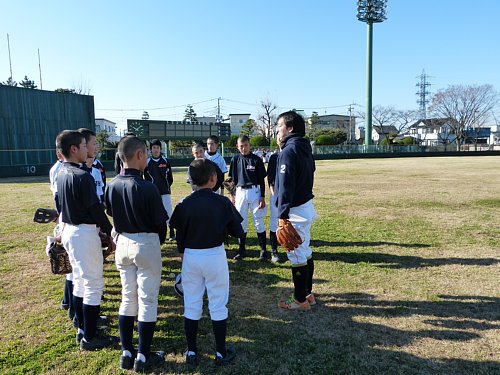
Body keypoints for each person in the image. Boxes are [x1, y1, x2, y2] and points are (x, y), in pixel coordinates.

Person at [169, 158, 244, 366]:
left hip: (191, 256)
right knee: (218, 303)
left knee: (191, 303)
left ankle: (191, 351)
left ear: (191, 180)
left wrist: (182, 252)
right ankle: (220, 352)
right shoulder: (221, 202)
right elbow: (239, 231)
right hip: (214, 255)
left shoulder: (183, 203)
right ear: (213, 179)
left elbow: (179, 232)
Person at [105, 136, 168, 372]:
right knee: (147, 300)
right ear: (140, 155)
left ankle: (126, 352)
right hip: (145, 242)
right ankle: (142, 356)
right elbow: (160, 224)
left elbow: (110, 212)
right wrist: (157, 241)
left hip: (123, 243)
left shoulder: (111, 184)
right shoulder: (148, 187)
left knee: (127, 297)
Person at [56, 130, 115, 349]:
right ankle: (90, 337)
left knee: (81, 281)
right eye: (82, 146)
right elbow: (95, 209)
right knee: (93, 283)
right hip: (82, 232)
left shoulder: (62, 172)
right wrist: (110, 231)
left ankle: (83, 329)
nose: (86, 150)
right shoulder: (82, 176)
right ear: (73, 149)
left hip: (72, 230)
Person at [274, 111, 317, 311]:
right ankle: (308, 294)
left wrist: (282, 215)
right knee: (305, 252)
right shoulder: (304, 147)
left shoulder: (289, 151)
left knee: (297, 256)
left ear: (290, 128)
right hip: (306, 205)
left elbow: (285, 186)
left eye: (280, 125)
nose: (278, 129)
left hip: (296, 210)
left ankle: (300, 300)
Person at [228, 135, 267, 261]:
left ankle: (263, 250)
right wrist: (232, 194)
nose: (244, 148)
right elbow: (231, 180)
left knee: (258, 221)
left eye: (246, 145)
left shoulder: (256, 159)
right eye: (241, 146)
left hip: (254, 191)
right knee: (241, 222)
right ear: (237, 147)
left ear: (250, 145)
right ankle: (242, 250)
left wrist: (262, 196)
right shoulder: (235, 159)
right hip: (240, 191)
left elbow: (261, 179)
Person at [144, 139, 175, 240]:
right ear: (150, 150)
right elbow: (145, 178)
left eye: (157, 148)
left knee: (168, 212)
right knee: (152, 213)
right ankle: (154, 232)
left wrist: (166, 187)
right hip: (152, 194)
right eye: (154, 148)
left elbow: (170, 178)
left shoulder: (165, 161)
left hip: (165, 192)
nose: (156, 150)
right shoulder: (147, 162)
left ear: (160, 149)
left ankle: (171, 232)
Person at [266, 150, 280, 263]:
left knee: (291, 221)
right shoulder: (274, 157)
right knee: (274, 221)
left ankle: (291, 248)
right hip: (276, 191)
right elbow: (270, 175)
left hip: (290, 192)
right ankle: (274, 251)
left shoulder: (292, 153)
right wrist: (272, 191)